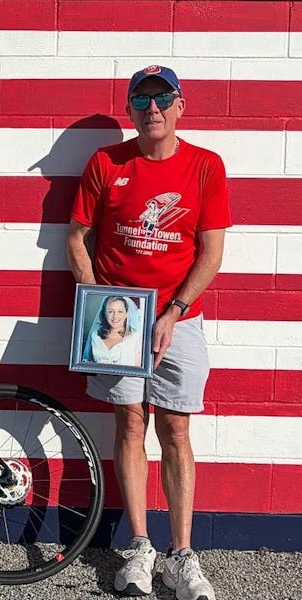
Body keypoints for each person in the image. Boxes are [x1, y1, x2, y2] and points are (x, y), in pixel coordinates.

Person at [66, 65, 231, 600]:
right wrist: (98, 303)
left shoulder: (205, 166)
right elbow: (76, 238)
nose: (151, 108)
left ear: (181, 105)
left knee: (176, 431)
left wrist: (174, 310)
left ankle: (182, 555)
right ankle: (139, 547)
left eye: (162, 99)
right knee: (131, 424)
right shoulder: (106, 163)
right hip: (121, 317)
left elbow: (211, 251)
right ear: (130, 109)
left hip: (178, 318)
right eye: (141, 99)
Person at [82, 296, 143, 367]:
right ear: (104, 313)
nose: (115, 316)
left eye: (120, 311)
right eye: (110, 311)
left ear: (126, 314)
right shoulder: (95, 335)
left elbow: (138, 370)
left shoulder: (134, 337)